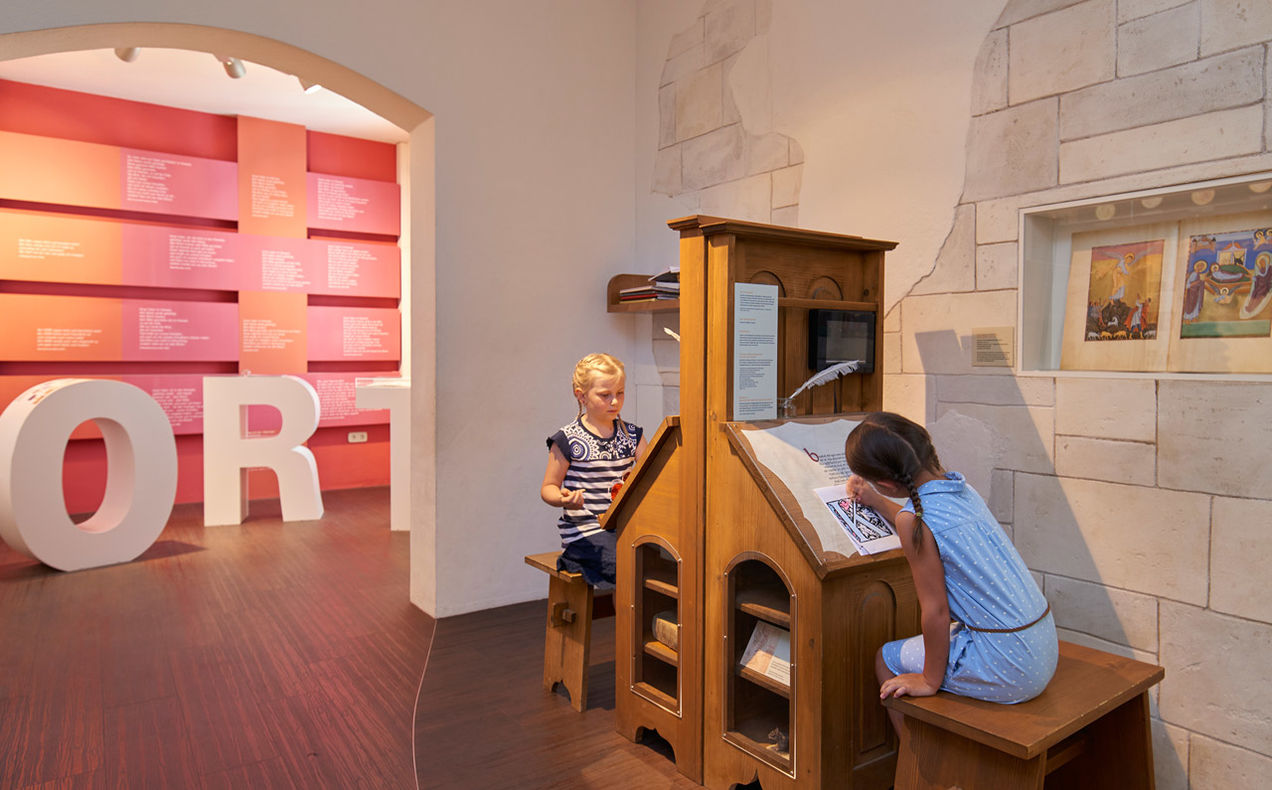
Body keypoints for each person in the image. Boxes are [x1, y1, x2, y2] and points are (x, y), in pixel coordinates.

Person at [843, 412, 1057, 732]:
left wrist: (929, 680)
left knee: (885, 659)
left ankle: (917, 763)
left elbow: (936, 612)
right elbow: (924, 524)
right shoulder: (961, 488)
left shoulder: (914, 521)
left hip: (1010, 665)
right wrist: (876, 501)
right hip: (1041, 644)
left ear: (886, 483)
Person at [540, 353, 646, 587]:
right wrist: (563, 499)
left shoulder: (633, 436)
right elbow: (548, 487)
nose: (615, 401)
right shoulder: (567, 439)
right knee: (627, 563)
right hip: (585, 532)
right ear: (581, 396)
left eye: (620, 393)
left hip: (624, 527)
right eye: (605, 395)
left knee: (657, 558)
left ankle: (639, 611)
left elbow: (651, 474)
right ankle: (626, 615)